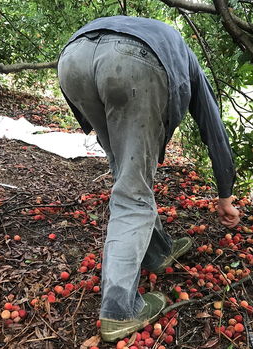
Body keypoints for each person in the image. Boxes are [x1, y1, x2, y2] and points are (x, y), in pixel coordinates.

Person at [57, 16, 240, 342]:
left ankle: (158, 252)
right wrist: (225, 193)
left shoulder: (155, 37)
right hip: (132, 64)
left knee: (126, 172)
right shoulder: (184, 59)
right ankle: (119, 309)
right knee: (133, 195)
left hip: (72, 57)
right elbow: (212, 126)